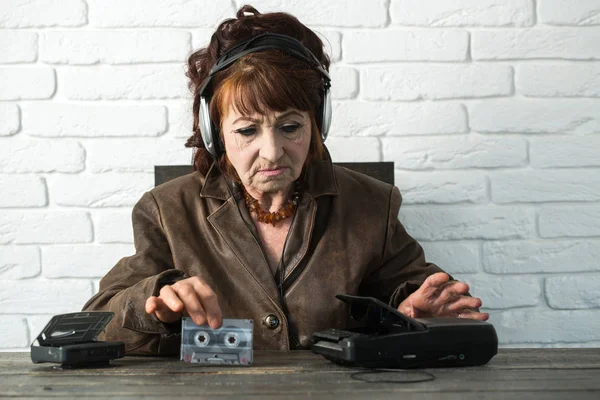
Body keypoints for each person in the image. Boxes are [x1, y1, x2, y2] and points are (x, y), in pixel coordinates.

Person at [82, 4, 488, 355]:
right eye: (247, 131)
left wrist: (419, 313)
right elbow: (94, 323)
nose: (273, 152)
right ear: (214, 132)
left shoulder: (372, 204)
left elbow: (416, 292)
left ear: (319, 122)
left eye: (290, 127)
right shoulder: (166, 211)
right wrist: (156, 301)